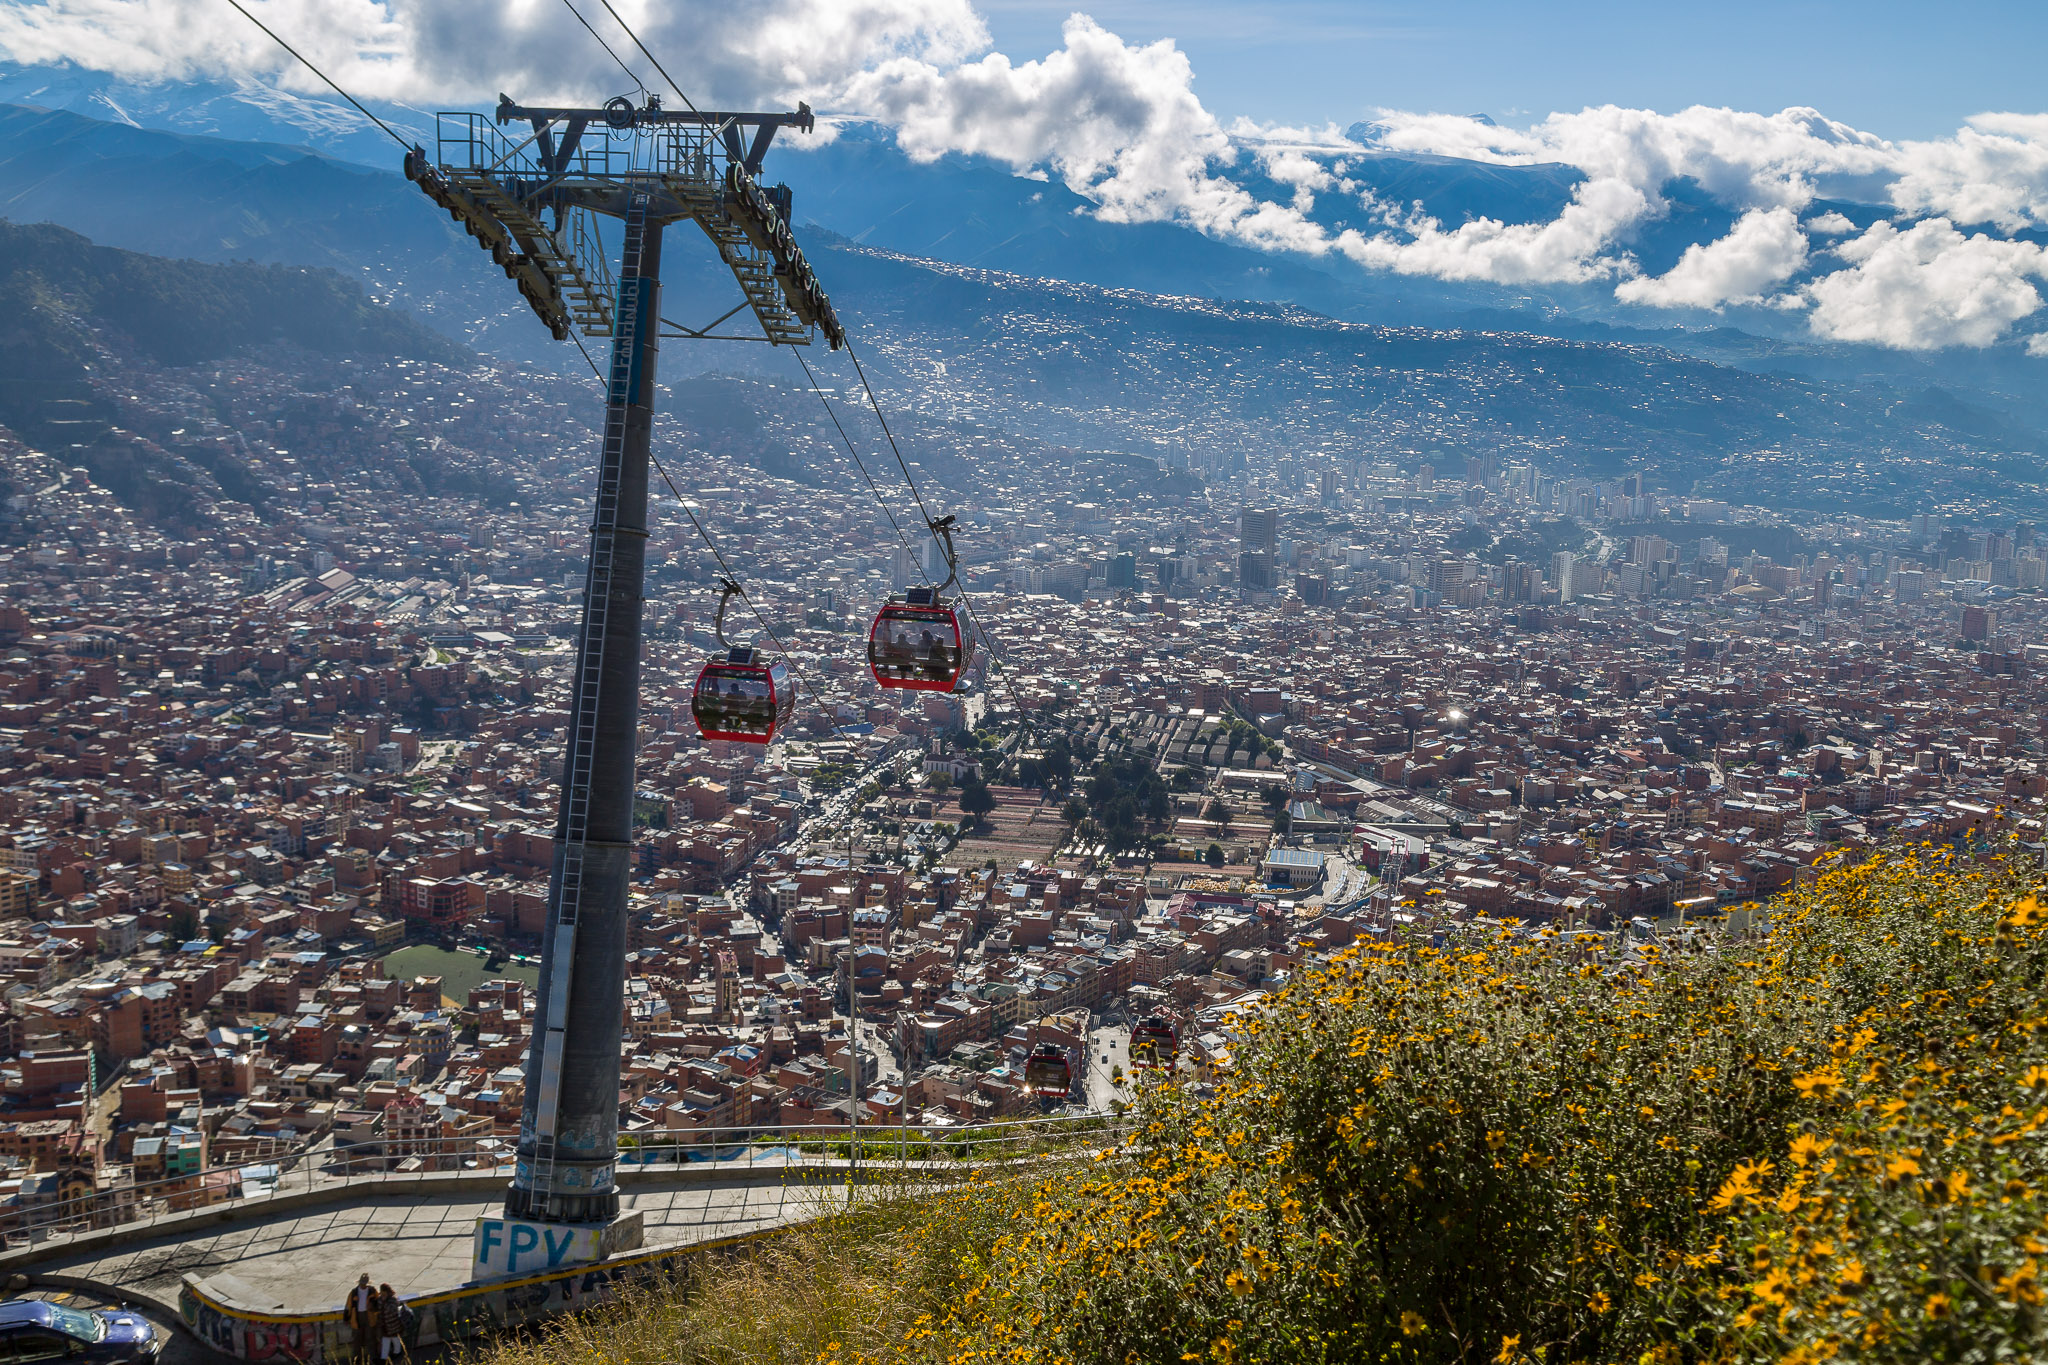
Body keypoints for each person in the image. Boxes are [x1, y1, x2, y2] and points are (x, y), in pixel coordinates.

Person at [342, 1274, 376, 1364]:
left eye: (364, 1283)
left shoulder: (372, 1291)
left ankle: (372, 1359)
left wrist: (373, 1306)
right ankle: (357, 1360)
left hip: (369, 1317)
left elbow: (377, 1303)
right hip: (356, 1318)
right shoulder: (354, 1292)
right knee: (357, 1340)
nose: (363, 1284)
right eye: (362, 1283)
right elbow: (348, 1306)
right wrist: (346, 1318)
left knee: (370, 1339)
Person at [375, 1283, 406, 1361]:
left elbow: (392, 1309)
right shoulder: (380, 1299)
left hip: (393, 1324)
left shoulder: (392, 1299)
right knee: (388, 1340)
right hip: (385, 1325)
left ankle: (393, 1354)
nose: (382, 1294)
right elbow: (377, 1307)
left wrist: (384, 1302)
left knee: (393, 1338)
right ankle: (386, 1356)